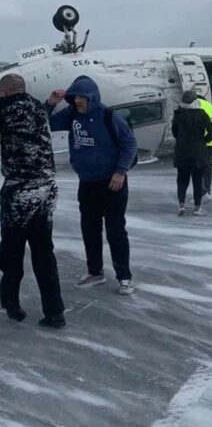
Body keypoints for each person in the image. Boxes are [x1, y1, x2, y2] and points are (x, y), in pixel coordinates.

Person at [46, 76, 138, 295]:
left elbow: (129, 144)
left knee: (115, 230)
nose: (77, 101)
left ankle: (124, 277)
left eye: (81, 97)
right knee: (90, 229)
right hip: (87, 182)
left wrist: (120, 171)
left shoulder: (108, 116)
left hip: (112, 183)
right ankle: (95, 271)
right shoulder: (72, 115)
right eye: (74, 97)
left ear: (92, 97)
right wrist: (50, 103)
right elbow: (46, 123)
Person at [0, 74, 66, 328]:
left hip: (20, 192)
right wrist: (49, 103)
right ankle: (55, 312)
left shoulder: (5, 110)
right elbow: (39, 113)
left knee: (12, 252)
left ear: (5, 92)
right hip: (47, 190)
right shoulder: (37, 108)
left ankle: (11, 304)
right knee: (43, 252)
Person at [172, 91, 212, 216]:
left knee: (182, 180)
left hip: (182, 151)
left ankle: (181, 205)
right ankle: (197, 207)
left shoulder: (178, 114)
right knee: (197, 180)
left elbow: (174, 131)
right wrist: (204, 141)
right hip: (199, 152)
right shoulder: (201, 114)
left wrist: (181, 140)